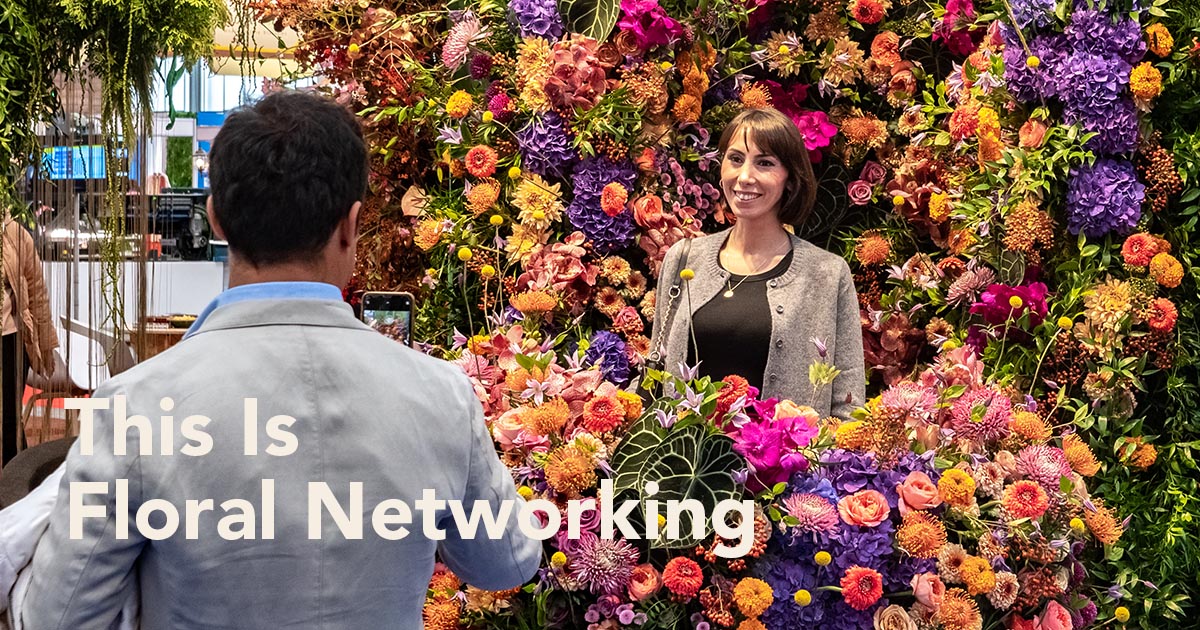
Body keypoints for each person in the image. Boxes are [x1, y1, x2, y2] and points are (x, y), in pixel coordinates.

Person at [18, 90, 540, 629]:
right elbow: (506, 563)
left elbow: (58, 616)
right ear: (351, 223)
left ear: (216, 218)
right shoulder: (439, 396)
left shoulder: (137, 406)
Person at [648, 107, 865, 419]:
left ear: (790, 178)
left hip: (782, 466)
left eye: (764, 163)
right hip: (685, 463)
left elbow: (848, 406)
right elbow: (657, 377)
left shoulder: (826, 274)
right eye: (735, 159)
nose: (745, 176)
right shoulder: (683, 258)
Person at [2, 212, 60, 465]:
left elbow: (37, 291)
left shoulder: (15, 233)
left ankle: (15, 488)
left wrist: (46, 344)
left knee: (8, 419)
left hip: (9, 338)